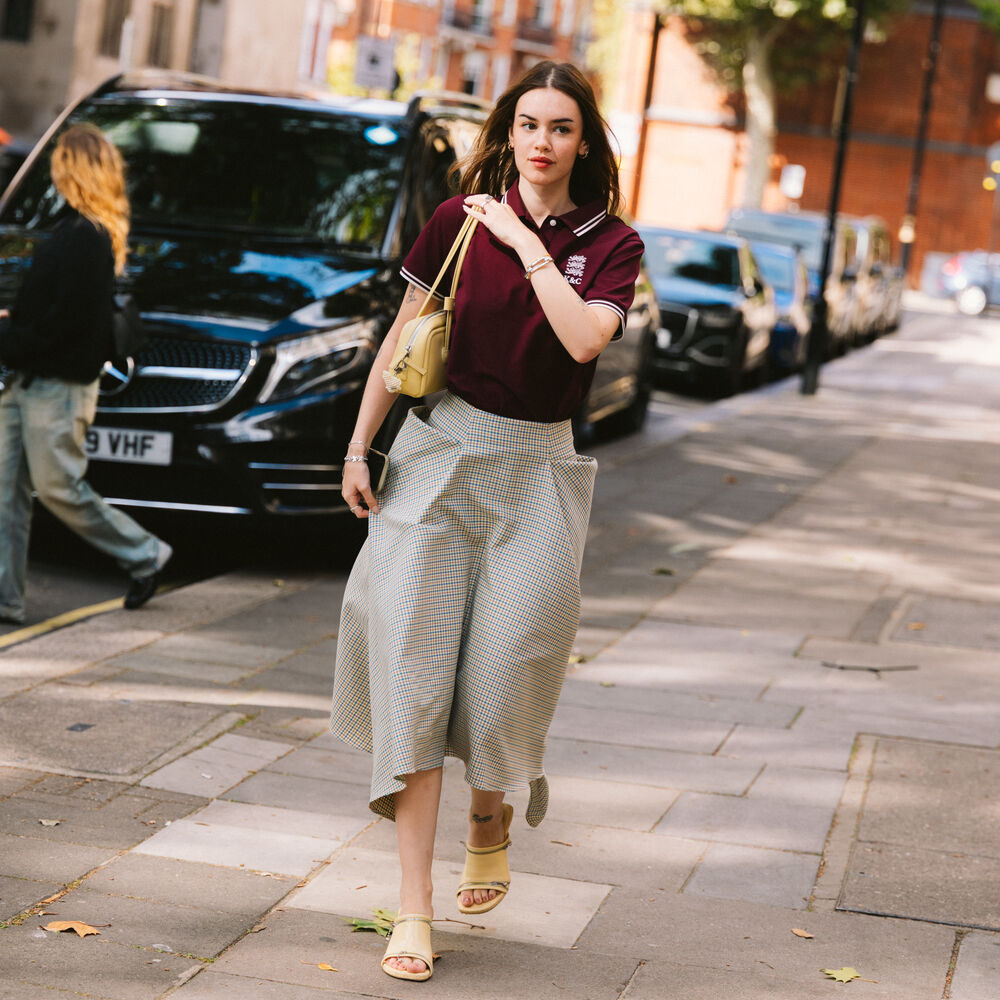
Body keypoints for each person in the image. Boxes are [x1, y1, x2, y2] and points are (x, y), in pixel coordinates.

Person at [330, 61, 644, 982]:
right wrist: (360, 446)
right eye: (529, 124)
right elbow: (404, 335)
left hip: (539, 472)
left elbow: (583, 339)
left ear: (583, 143)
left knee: (508, 671)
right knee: (416, 682)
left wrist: (525, 241)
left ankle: (488, 814)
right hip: (440, 460)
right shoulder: (457, 221)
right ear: (509, 132)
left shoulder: (611, 242)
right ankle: (414, 908)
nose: (542, 142)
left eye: (561, 128)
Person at [0, 124, 172, 626]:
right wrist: (14, 323)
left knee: (59, 488)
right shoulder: (75, 229)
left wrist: (8, 336)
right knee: (4, 494)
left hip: (58, 387)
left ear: (73, 168)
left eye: (60, 161)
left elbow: (67, 321)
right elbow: (54, 309)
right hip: (28, 380)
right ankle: (5, 598)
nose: (54, 170)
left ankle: (145, 554)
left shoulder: (87, 236)